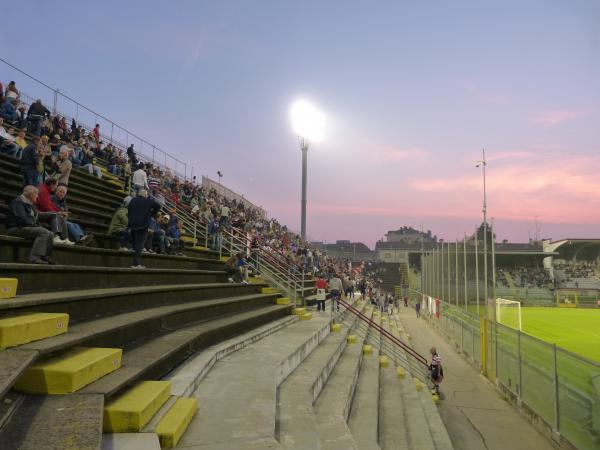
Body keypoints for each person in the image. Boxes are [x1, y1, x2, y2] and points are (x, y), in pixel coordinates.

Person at [5, 185, 57, 264]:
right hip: (15, 228)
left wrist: (53, 214)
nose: (37, 196)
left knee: (51, 233)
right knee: (43, 232)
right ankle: (35, 257)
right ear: (31, 194)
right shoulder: (18, 201)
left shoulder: (29, 204)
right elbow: (22, 220)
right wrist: (36, 226)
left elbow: (35, 216)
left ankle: (45, 257)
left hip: (24, 227)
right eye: (36, 194)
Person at [127, 189, 160, 268]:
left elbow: (129, 210)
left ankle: (135, 262)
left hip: (132, 225)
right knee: (140, 245)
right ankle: (136, 264)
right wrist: (151, 213)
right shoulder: (147, 201)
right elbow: (158, 206)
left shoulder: (132, 200)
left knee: (135, 244)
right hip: (142, 226)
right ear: (145, 195)